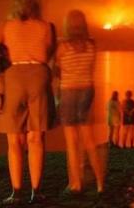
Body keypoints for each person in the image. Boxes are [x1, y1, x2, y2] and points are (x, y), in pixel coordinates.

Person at [0, 0, 56, 205]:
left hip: (13, 78)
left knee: (14, 140)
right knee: (36, 137)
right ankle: (36, 191)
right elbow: (49, 53)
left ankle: (16, 192)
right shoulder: (47, 26)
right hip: (39, 76)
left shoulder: (6, 26)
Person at [55, 10, 104, 194]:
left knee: (71, 141)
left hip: (68, 91)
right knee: (89, 140)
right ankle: (100, 183)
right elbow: (92, 68)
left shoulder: (63, 47)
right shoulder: (92, 45)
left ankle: (76, 183)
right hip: (87, 90)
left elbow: (57, 70)